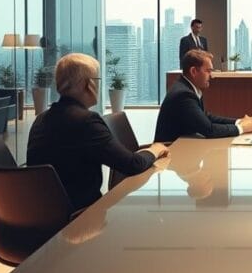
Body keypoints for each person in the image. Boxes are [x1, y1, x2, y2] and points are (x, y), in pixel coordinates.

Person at [26, 53, 168, 209]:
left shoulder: (40, 119)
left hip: (43, 212)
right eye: (98, 80)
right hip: (81, 219)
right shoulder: (86, 122)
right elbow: (133, 164)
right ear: (89, 85)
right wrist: (155, 149)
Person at [154, 48, 252, 142]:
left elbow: (205, 117)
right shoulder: (184, 95)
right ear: (194, 71)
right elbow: (209, 130)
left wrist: (238, 121)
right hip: (169, 150)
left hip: (182, 146)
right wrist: (241, 127)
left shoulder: (188, 87)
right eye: (208, 71)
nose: (212, 76)